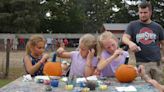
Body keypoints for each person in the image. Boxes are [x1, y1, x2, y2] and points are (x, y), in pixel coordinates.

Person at [122, 1, 164, 83]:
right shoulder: (132, 25)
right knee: (145, 87)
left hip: (157, 63)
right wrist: (130, 43)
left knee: (158, 87)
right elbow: (125, 38)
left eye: (145, 12)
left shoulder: (158, 27)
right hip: (141, 63)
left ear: (150, 12)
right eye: (141, 12)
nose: (143, 15)